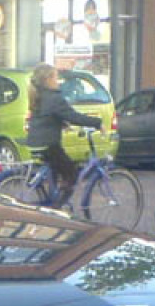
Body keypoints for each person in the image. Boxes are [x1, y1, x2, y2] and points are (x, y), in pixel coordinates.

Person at [25, 63, 102, 207]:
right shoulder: (54, 98)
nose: (58, 81)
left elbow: (46, 117)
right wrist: (97, 123)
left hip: (35, 143)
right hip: (49, 144)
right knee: (71, 174)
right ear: (47, 80)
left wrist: (61, 124)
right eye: (55, 78)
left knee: (57, 170)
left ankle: (52, 199)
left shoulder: (39, 96)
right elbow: (74, 116)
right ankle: (57, 209)